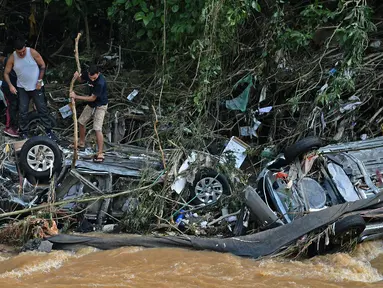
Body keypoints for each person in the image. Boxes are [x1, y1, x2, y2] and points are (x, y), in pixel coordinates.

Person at [4, 38, 56, 140]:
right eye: (20, 52)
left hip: (36, 87)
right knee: (23, 111)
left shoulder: (32, 52)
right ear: (15, 50)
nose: (22, 54)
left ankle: (49, 131)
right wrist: (10, 85)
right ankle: (24, 132)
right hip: (22, 88)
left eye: (23, 51)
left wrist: (39, 80)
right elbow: (6, 73)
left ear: (25, 47)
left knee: (42, 109)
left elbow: (42, 65)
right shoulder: (12, 58)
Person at [70, 65, 108, 162]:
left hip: (100, 105)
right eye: (91, 78)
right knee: (81, 122)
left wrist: (76, 96)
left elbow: (92, 98)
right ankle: (81, 142)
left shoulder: (100, 82)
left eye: (94, 78)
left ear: (98, 74)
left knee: (97, 128)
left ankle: (100, 152)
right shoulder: (88, 74)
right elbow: (81, 80)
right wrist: (77, 76)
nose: (92, 80)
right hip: (91, 104)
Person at [0, 55, 19, 137]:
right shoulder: (10, 60)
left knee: (15, 105)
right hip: (8, 87)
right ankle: (9, 128)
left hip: (14, 86)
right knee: (11, 105)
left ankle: (14, 126)